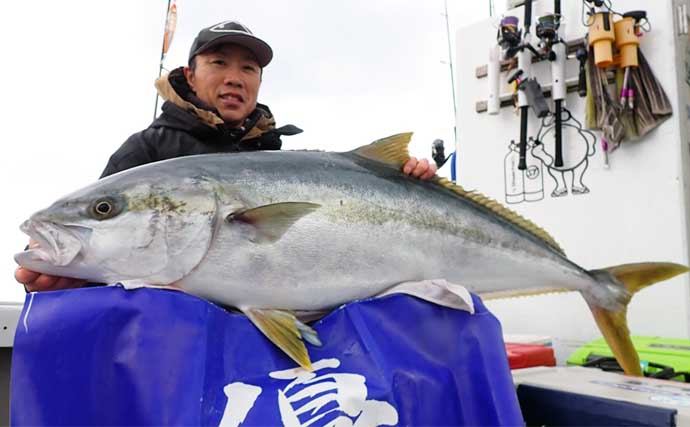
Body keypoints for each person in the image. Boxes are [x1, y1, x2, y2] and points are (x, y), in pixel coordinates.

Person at [15, 20, 437, 293]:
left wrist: (405, 182)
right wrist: (68, 277)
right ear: (190, 75)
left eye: (249, 69)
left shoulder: (276, 157)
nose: (235, 78)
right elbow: (117, 263)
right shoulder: (147, 151)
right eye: (218, 62)